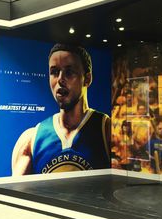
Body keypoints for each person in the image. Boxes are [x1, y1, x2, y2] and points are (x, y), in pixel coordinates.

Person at [11, 44, 111, 175]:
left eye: (69, 72)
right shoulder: (31, 140)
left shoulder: (107, 131)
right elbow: (18, 193)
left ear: (87, 79)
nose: (60, 79)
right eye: (54, 72)